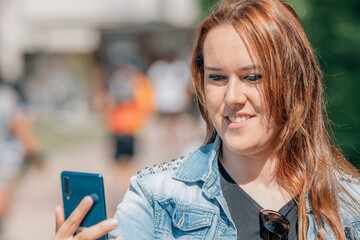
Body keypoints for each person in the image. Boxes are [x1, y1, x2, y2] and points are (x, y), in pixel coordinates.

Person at [53, 0, 360, 239]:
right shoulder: (157, 199)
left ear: (295, 81)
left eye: (252, 76)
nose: (232, 97)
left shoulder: (351, 205)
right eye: (217, 77)